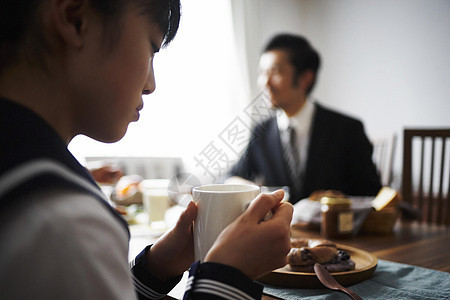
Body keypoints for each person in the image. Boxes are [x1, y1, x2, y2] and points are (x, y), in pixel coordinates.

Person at [0, 1, 293, 299]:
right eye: (151, 48)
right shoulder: (63, 224)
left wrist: (152, 271)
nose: (151, 84)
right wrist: (229, 276)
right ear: (76, 20)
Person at [227, 33, 381, 205]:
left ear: (305, 78)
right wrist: (248, 189)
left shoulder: (347, 129)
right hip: (279, 230)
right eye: (262, 73)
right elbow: (231, 177)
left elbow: (372, 193)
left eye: (275, 72)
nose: (265, 82)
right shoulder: (261, 132)